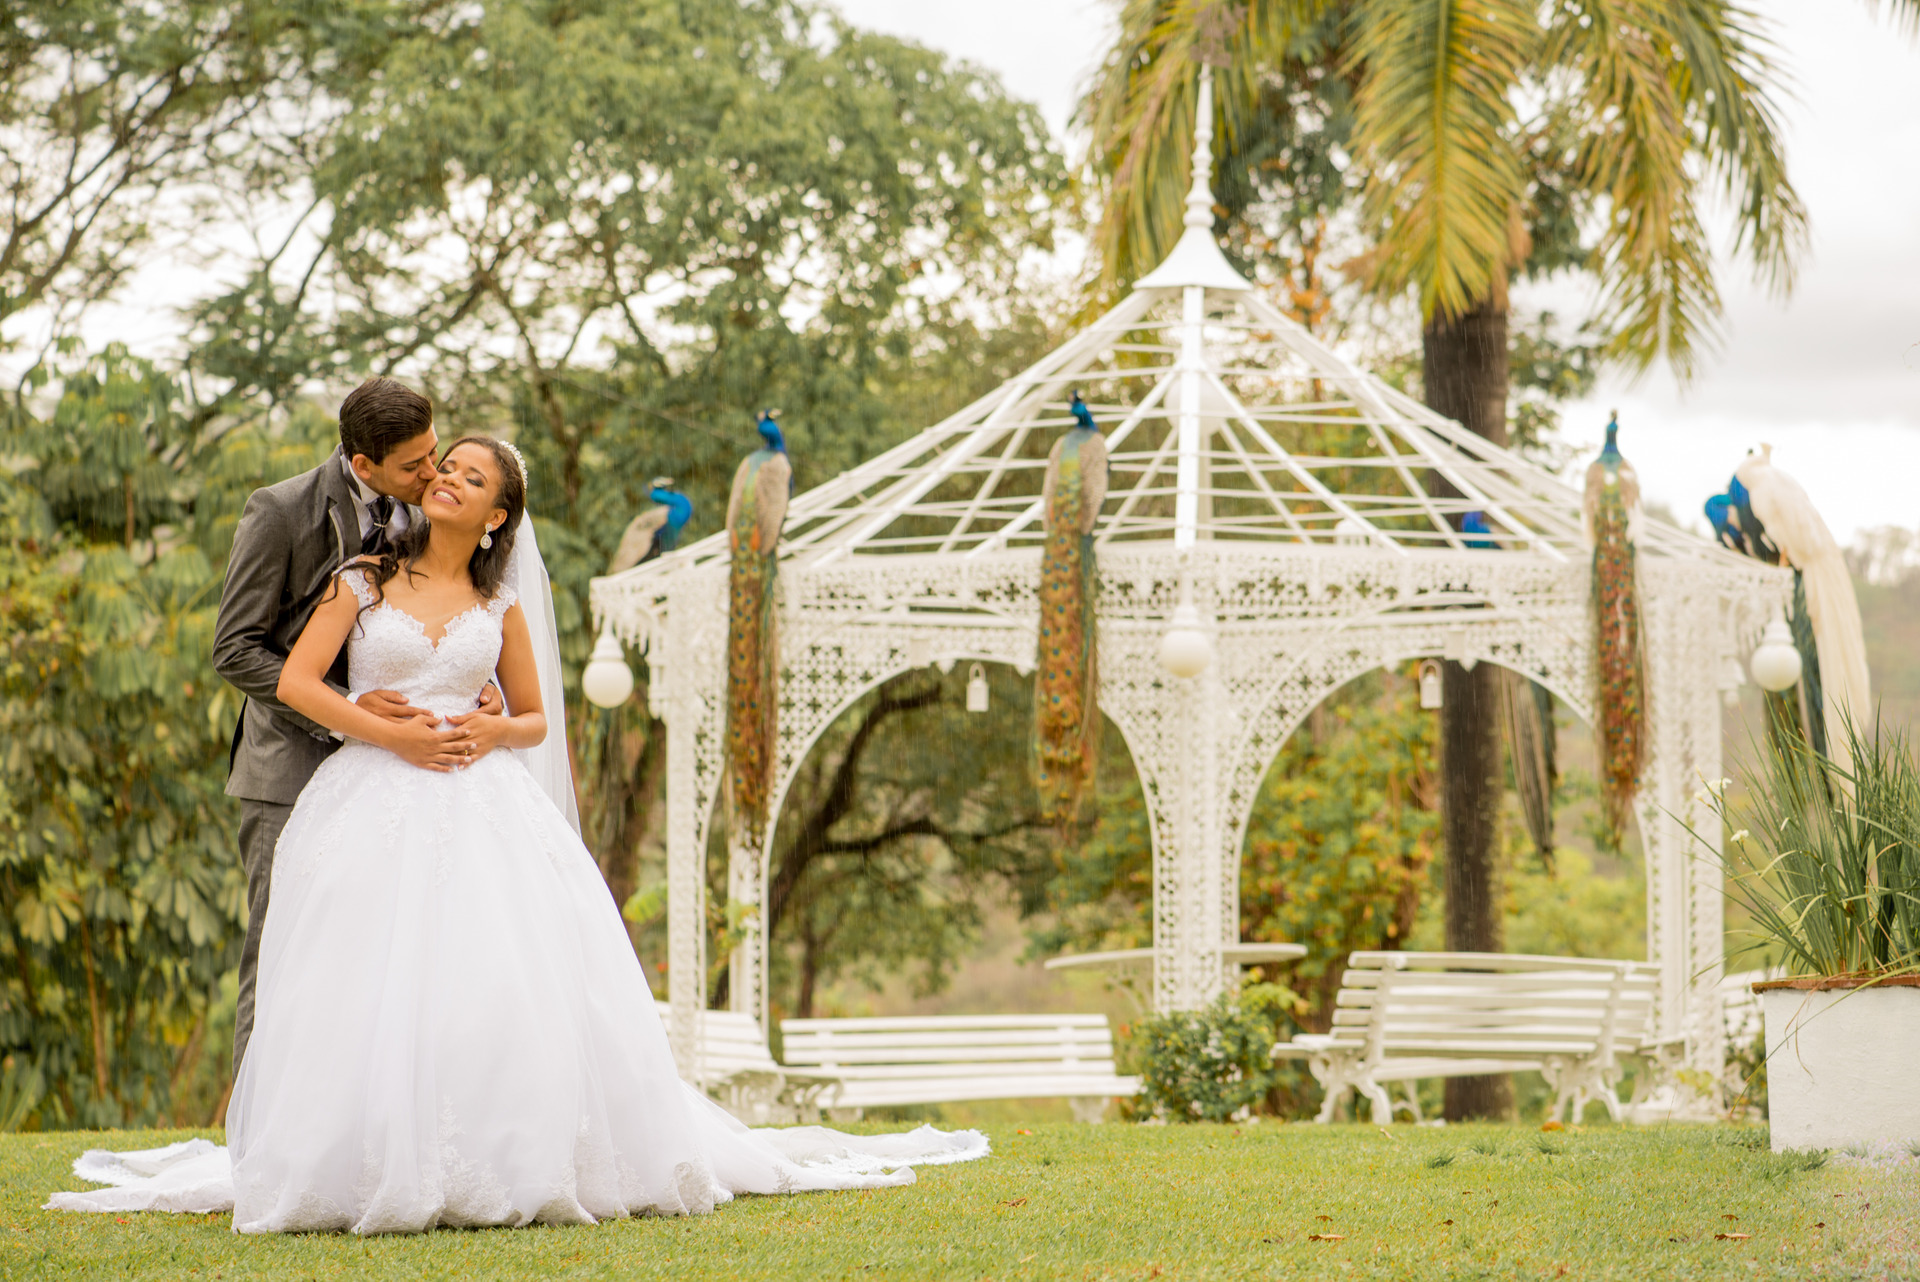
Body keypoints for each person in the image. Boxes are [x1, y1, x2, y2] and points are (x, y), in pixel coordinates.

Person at [49, 434, 985, 1231]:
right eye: (445, 467)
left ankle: (503, 1146)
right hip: (369, 797)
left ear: (497, 517)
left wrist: (494, 730)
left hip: (482, 801)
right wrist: (383, 730)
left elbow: (536, 718)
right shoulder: (362, 580)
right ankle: (353, 1155)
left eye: (471, 477)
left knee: (491, 975)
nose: (448, 480)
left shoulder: (499, 607)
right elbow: (296, 682)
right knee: (363, 978)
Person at [210, 377, 502, 1073]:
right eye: (415, 465)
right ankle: (259, 1129)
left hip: (397, 778)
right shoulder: (281, 511)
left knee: (375, 963)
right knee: (284, 953)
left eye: (434, 453)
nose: (433, 473)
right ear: (362, 463)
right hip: (290, 768)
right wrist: (348, 706)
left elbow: (441, 609)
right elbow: (235, 648)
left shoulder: (425, 513)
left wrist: (476, 679)